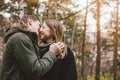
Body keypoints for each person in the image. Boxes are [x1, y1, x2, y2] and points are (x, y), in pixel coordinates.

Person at [0, 15, 65, 80]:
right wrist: (51, 53)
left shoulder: (23, 39)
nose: (40, 30)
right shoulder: (20, 38)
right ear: (30, 22)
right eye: (39, 25)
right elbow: (35, 71)